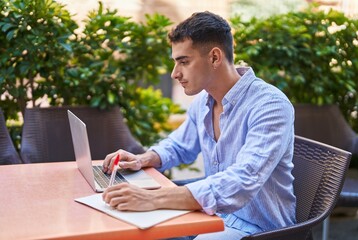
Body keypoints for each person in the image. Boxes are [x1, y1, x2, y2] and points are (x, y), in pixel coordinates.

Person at [102, 11, 296, 239]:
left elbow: (243, 180)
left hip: (260, 229)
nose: (175, 74)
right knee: (136, 229)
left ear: (214, 57)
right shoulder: (203, 102)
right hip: (212, 216)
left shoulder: (270, 105)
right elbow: (178, 146)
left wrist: (152, 199)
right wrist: (142, 159)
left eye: (184, 62)